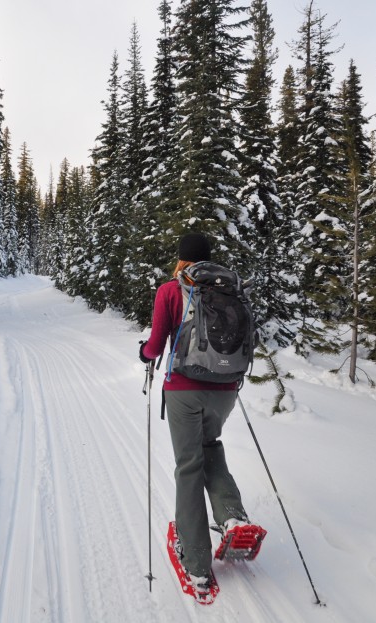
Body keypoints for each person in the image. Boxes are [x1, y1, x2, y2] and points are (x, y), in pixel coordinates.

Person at [138, 232, 251, 589]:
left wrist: (144, 353)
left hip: (184, 391)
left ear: (180, 257)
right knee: (210, 446)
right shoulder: (229, 288)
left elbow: (156, 345)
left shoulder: (172, 290)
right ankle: (233, 518)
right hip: (227, 390)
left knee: (188, 467)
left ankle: (197, 561)